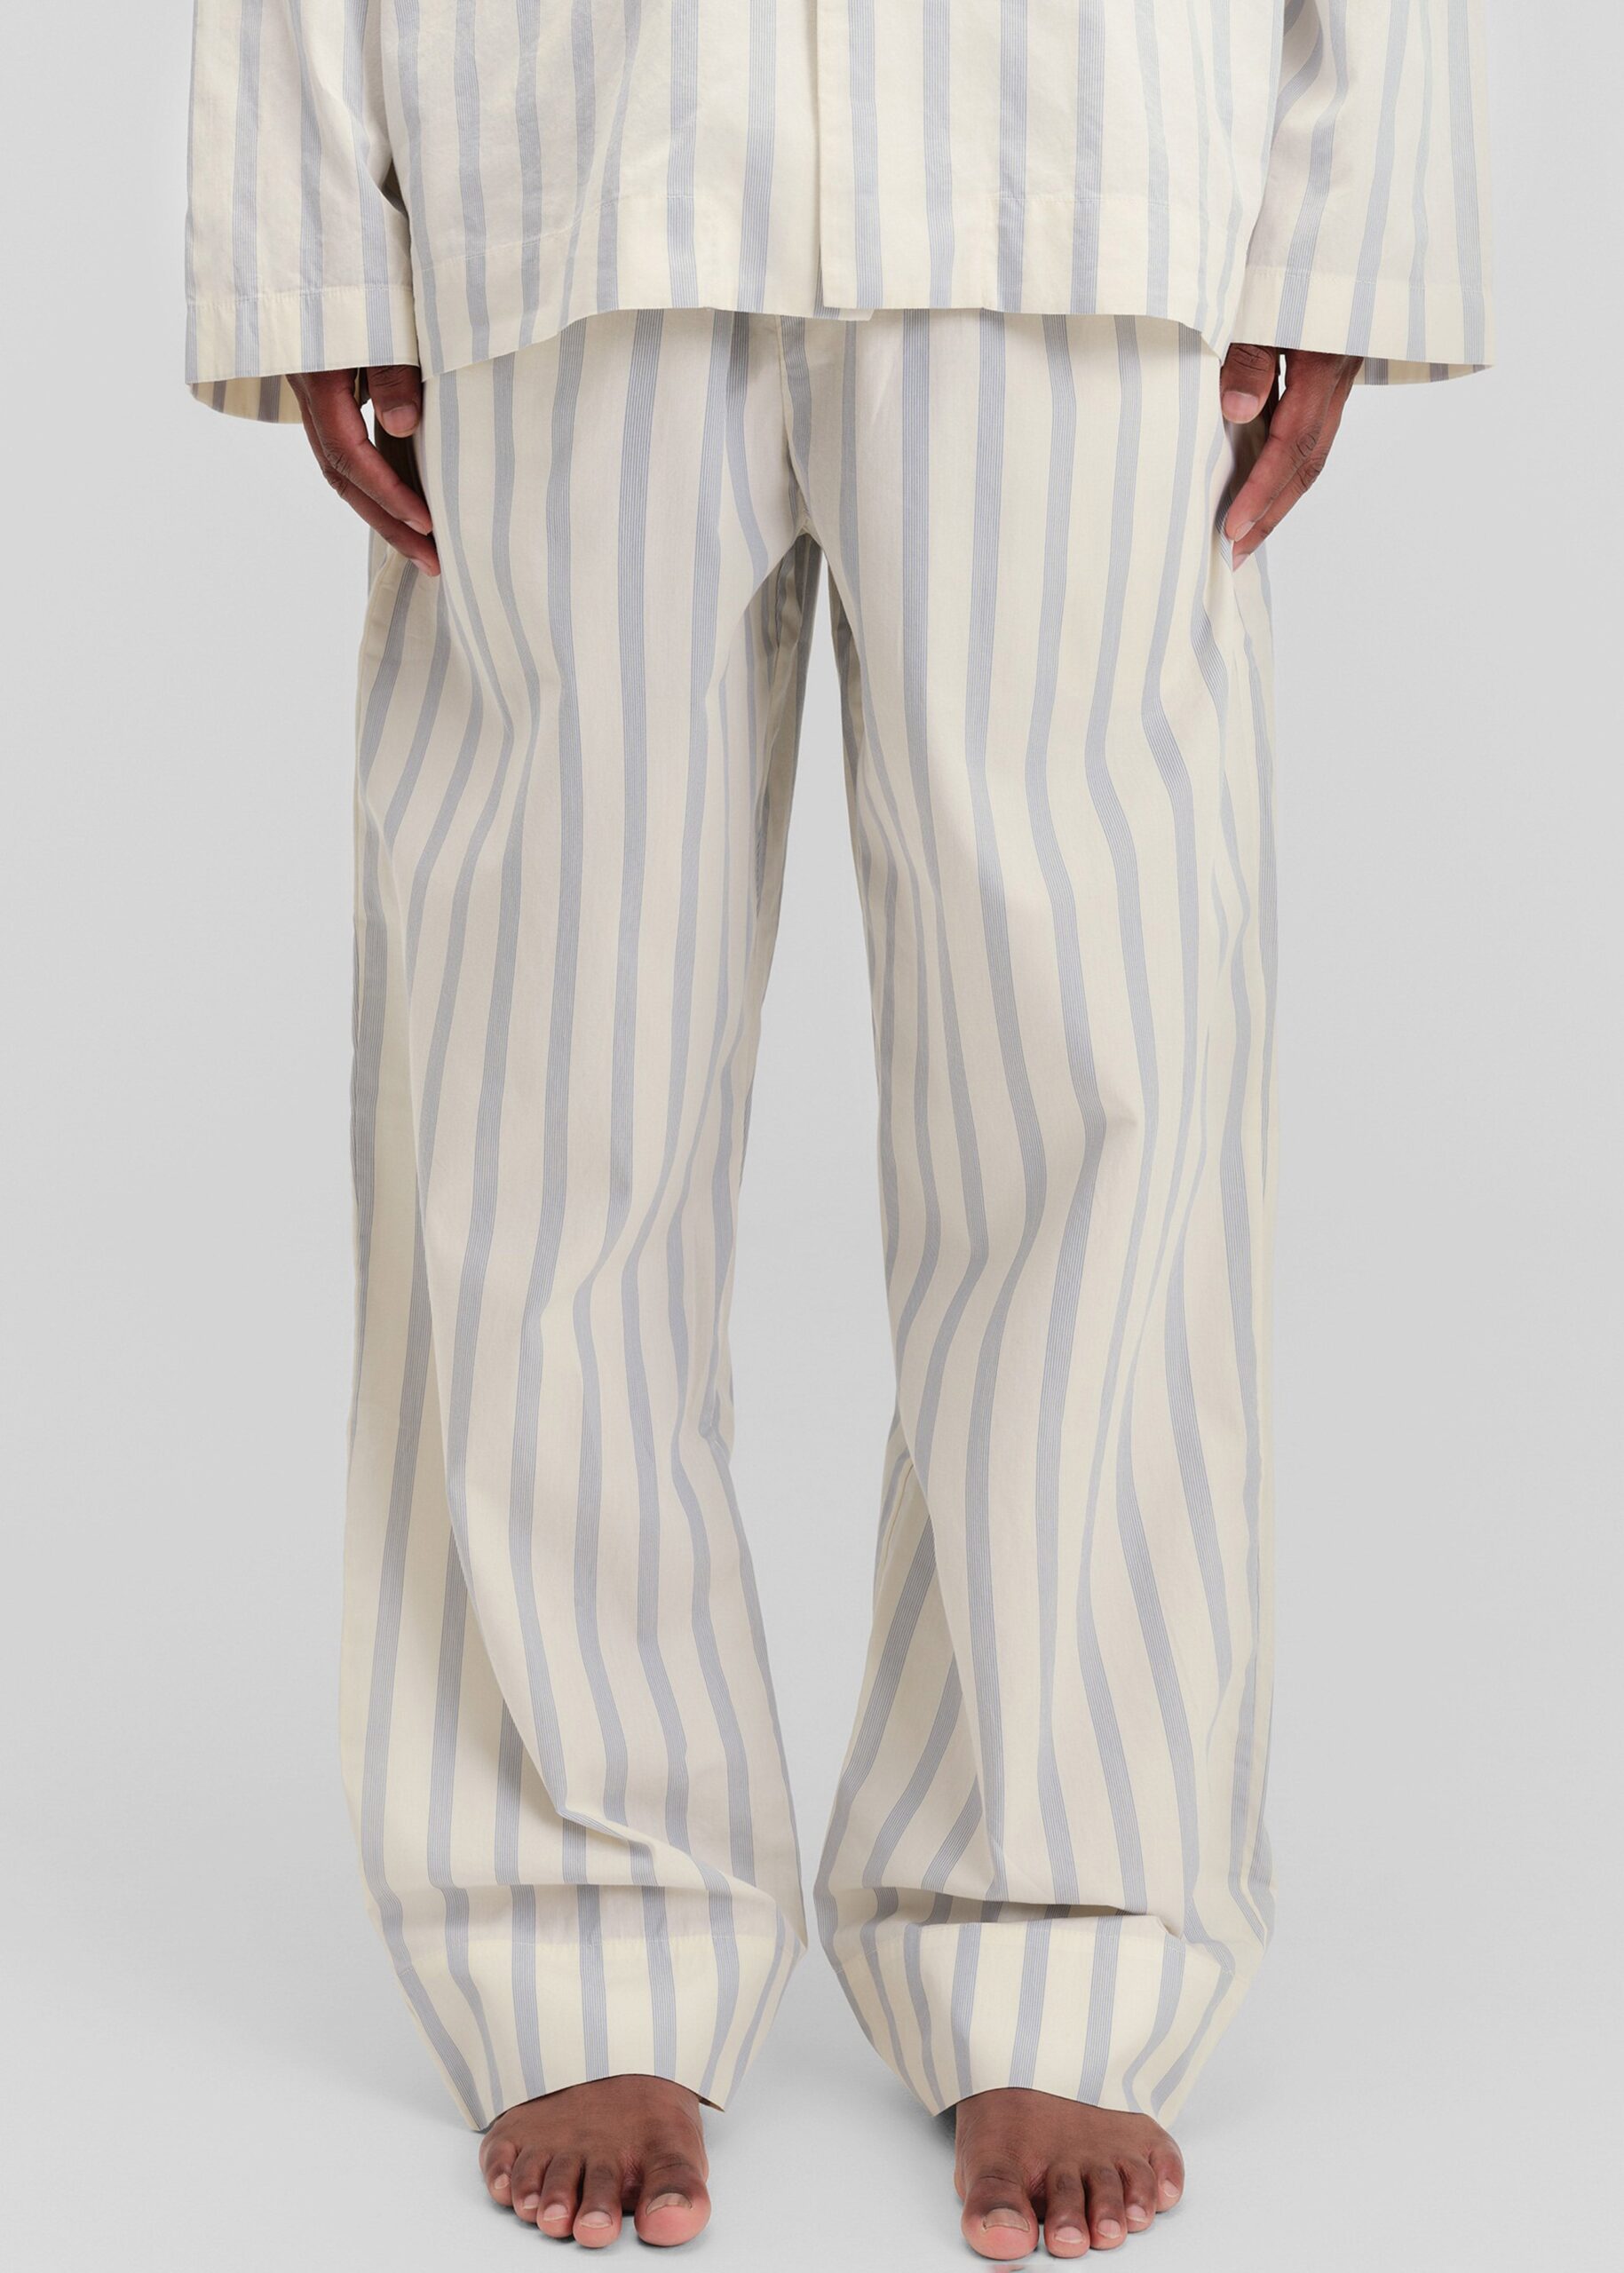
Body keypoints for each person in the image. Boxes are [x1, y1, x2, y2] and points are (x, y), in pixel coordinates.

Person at [185, 5, 1491, 2256]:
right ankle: (578, 1900)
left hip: (1080, 145)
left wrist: (1355, 218)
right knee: (540, 1084)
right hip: (560, 138)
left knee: (1097, 1073)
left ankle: (1066, 1900)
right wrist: (304, 223)